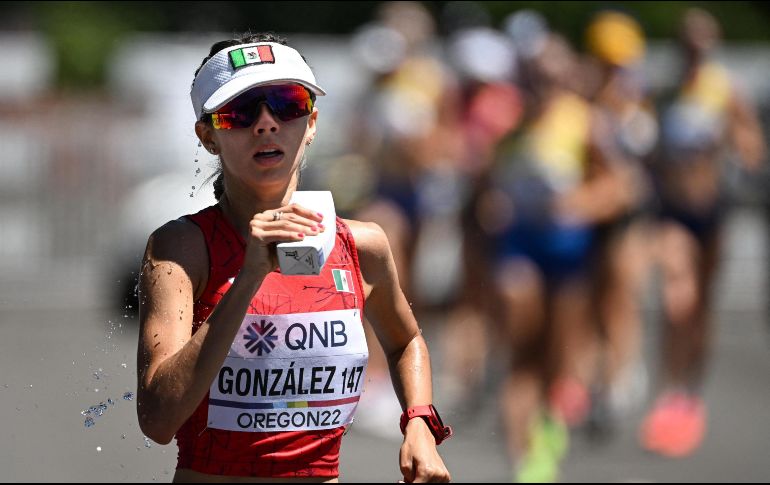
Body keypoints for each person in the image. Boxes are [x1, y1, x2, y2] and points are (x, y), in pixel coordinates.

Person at [135, 32, 452, 483]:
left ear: (313, 122)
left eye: (286, 103)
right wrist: (249, 277)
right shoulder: (182, 248)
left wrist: (419, 422)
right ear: (208, 137)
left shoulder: (361, 245)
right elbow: (158, 420)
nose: (266, 123)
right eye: (240, 112)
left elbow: (405, 342)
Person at [640, 8, 766, 458]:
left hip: (713, 210)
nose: (695, 52)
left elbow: (753, 149)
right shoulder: (667, 91)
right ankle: (668, 389)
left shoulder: (726, 90)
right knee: (678, 302)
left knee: (702, 307)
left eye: (703, 44)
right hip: (672, 213)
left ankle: (690, 392)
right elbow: (648, 148)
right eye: (688, 44)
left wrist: (729, 145)